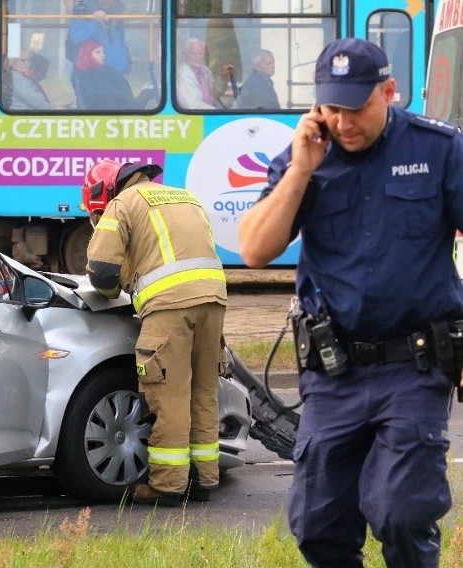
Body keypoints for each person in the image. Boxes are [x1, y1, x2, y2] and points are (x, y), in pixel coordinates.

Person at [238, 38, 463, 567]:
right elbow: (254, 248)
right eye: (332, 107)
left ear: (390, 92)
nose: (343, 121)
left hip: (416, 364)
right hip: (333, 371)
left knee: (401, 513)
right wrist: (299, 171)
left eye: (357, 106)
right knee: (318, 525)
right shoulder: (303, 159)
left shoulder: (438, 150)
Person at [83, 159, 228, 506]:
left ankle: (167, 485)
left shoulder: (123, 204)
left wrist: (110, 295)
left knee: (169, 396)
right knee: (203, 392)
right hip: (214, 302)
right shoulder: (185, 197)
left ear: (105, 193)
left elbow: (101, 271)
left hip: (170, 308)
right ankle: (204, 480)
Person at [73, 40, 140, 110]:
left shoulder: (109, 71)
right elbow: (91, 101)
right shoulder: (83, 76)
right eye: (98, 52)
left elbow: (124, 90)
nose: (103, 55)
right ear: (88, 55)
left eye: (103, 52)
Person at [67, 0, 130, 75]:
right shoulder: (80, 5)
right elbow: (76, 37)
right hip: (90, 73)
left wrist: (124, 62)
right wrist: (94, 21)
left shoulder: (118, 8)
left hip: (117, 71)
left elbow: (120, 41)